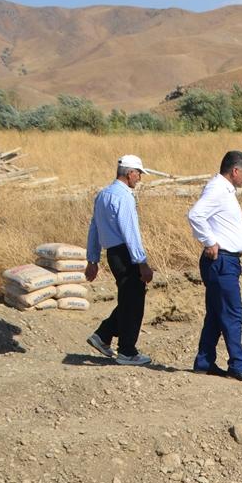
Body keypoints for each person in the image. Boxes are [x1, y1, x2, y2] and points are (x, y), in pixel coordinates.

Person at [187, 150, 242, 384]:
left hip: (226, 261)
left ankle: (204, 362)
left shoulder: (225, 189)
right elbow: (195, 214)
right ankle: (238, 366)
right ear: (235, 170)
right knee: (232, 313)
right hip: (221, 261)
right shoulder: (218, 189)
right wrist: (209, 241)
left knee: (216, 313)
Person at [85, 154, 154, 366]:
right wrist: (142, 262)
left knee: (128, 298)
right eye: (138, 173)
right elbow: (130, 232)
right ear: (130, 173)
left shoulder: (103, 195)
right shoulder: (124, 197)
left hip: (113, 254)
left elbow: (94, 227)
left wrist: (93, 259)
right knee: (134, 302)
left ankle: (103, 335)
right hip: (126, 254)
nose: (140, 178)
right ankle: (127, 351)